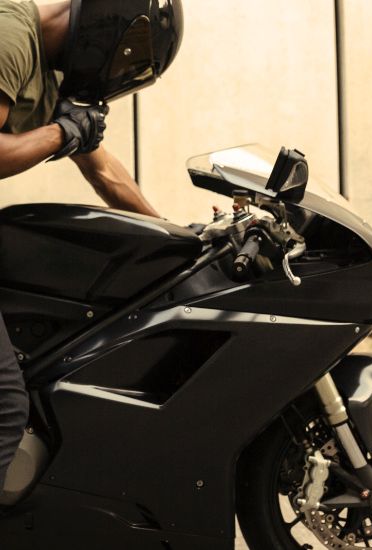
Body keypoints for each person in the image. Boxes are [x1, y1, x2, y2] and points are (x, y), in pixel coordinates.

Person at [0, 0, 183, 492]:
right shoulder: (11, 37)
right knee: (3, 406)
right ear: (109, 30)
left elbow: (104, 171)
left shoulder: (48, 70)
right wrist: (60, 133)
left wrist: (181, 240)